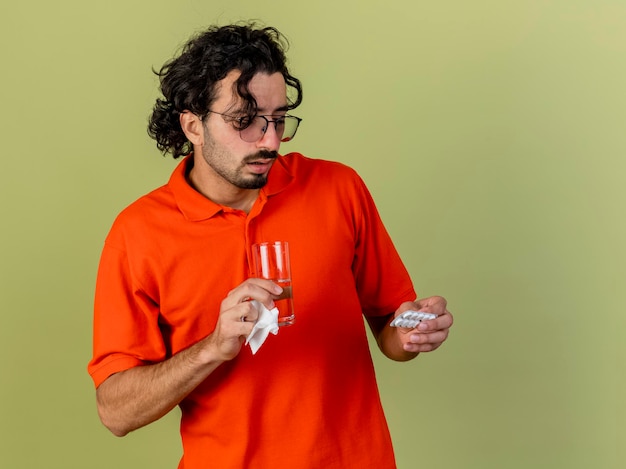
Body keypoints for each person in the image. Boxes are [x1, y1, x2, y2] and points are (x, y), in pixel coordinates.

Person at [88, 23, 453, 469]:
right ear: (192, 125)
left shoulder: (338, 189)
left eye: (278, 120)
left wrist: (412, 332)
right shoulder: (138, 234)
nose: (270, 140)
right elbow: (116, 412)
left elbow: (389, 329)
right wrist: (213, 347)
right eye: (245, 121)